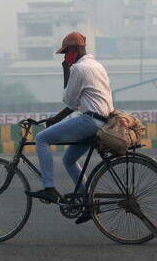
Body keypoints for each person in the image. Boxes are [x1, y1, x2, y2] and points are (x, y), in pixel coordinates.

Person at [26, 32, 114, 224]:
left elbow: (70, 100)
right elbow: (76, 103)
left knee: (41, 139)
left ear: (75, 50)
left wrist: (66, 70)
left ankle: (48, 187)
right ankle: (88, 201)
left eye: (66, 52)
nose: (65, 57)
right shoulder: (97, 65)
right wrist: (57, 118)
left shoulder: (79, 69)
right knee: (69, 159)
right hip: (101, 121)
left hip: (89, 121)